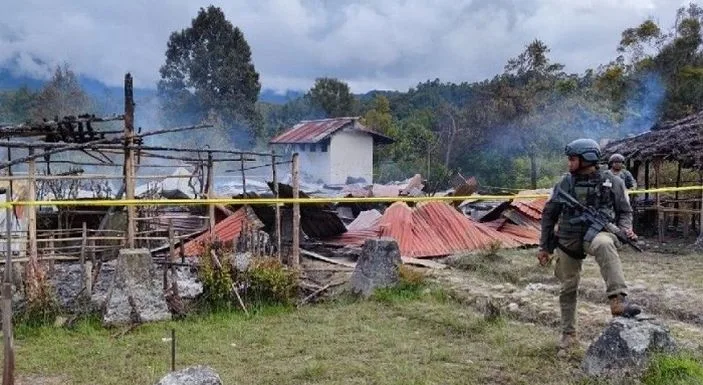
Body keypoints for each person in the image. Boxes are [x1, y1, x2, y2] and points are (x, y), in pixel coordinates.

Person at [537, 138, 642, 356]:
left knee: (605, 244)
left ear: (588, 159)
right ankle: (569, 336)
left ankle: (618, 300)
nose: (569, 163)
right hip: (567, 239)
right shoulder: (564, 184)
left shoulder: (613, 181)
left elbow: (625, 212)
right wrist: (544, 247)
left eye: (573, 159)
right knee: (568, 287)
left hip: (597, 233)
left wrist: (625, 229)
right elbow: (549, 215)